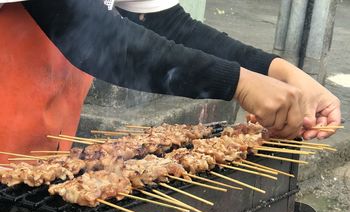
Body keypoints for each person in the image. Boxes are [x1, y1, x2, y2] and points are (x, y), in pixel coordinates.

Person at [0, 0, 341, 163]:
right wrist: (239, 83)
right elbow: (86, 35)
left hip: (41, 153)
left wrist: (278, 71)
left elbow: (165, 23)